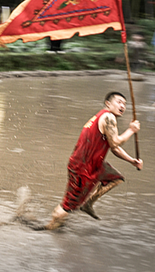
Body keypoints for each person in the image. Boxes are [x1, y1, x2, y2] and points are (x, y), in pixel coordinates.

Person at [45, 92, 143, 230]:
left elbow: (114, 148)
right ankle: (48, 229)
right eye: (119, 102)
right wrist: (131, 130)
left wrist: (132, 161)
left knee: (116, 178)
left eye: (125, 104)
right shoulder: (108, 117)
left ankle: (88, 204)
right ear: (108, 104)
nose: (122, 106)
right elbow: (115, 142)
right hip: (82, 167)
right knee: (68, 206)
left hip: (94, 164)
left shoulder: (105, 116)